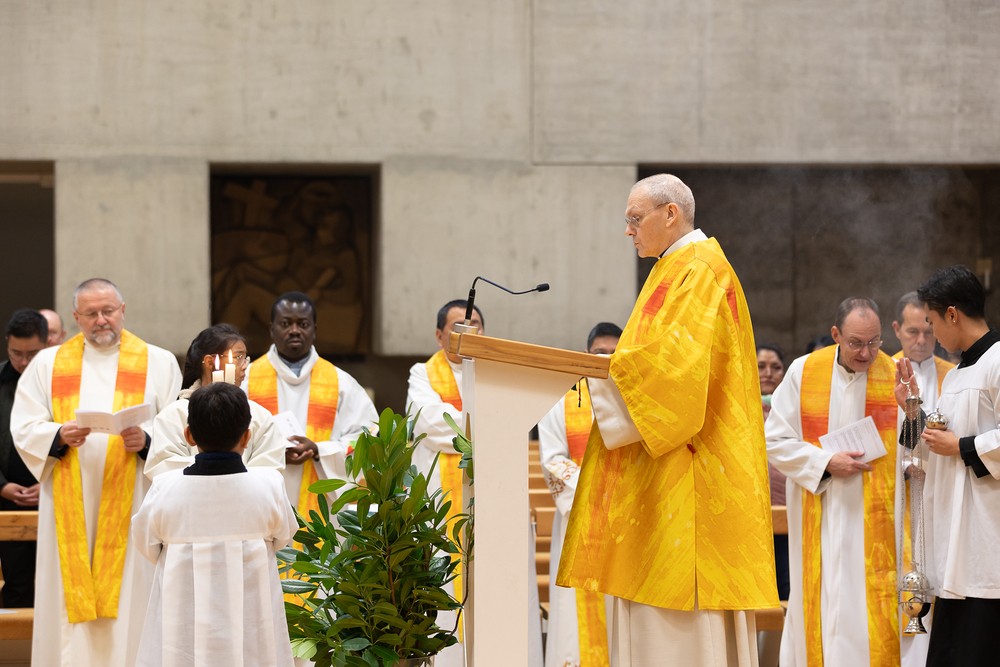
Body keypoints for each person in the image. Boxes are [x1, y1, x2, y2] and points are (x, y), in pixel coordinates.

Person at [558, 174, 778, 667]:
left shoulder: (700, 270)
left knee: (681, 622)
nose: (628, 230)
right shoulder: (673, 267)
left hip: (690, 476)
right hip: (666, 469)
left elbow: (676, 374)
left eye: (635, 219)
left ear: (671, 213)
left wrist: (601, 372)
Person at [10, 278, 182, 667]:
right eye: (91, 313)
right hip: (69, 504)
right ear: (76, 317)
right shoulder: (48, 364)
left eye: (108, 311)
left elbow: (178, 429)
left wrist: (147, 440)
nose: (101, 320)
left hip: (134, 499)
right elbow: (24, 426)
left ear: (123, 310)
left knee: (132, 595)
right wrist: (58, 434)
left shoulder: (158, 362)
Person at [766, 297, 909, 667]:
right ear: (835, 335)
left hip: (876, 523)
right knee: (821, 603)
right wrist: (825, 462)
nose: (866, 353)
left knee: (868, 611)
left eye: (874, 342)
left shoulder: (895, 374)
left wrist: (911, 411)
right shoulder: (803, 371)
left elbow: (918, 454)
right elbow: (773, 441)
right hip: (821, 512)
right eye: (856, 343)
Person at [132, 382, 297, 667]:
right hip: (252, 618)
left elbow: (146, 543)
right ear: (247, 437)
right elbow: (283, 538)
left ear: (189, 435)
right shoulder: (269, 485)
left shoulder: (164, 487)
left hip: (181, 619)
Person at [894, 266, 1000, 666]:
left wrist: (963, 446)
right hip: (956, 547)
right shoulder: (955, 375)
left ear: (952, 314)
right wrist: (912, 411)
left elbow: (956, 445)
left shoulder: (998, 361)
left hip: (987, 544)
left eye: (933, 322)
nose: (932, 333)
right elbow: (937, 448)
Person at [243, 292, 377, 514]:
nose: (294, 330)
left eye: (303, 324)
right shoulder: (246, 380)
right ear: (272, 329)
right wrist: (274, 451)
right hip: (262, 502)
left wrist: (319, 450)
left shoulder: (341, 383)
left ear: (314, 330)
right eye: (285, 323)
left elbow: (367, 437)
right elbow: (230, 439)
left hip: (323, 507)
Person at [404, 299, 484, 667]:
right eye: (458, 326)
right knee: (442, 585)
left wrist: (464, 425)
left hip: (487, 503)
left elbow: (450, 425)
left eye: (475, 324)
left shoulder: (496, 373)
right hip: (439, 507)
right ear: (439, 336)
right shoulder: (422, 373)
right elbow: (429, 422)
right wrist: (482, 426)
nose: (469, 332)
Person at [538, 322, 620, 667]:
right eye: (600, 352)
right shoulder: (563, 400)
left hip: (625, 522)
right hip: (580, 517)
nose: (607, 358)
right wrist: (596, 489)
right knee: (576, 611)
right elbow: (553, 460)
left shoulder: (637, 400)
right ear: (586, 355)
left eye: (615, 353)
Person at [144, 324, 286, 478]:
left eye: (245, 358)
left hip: (243, 493)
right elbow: (164, 467)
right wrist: (221, 472)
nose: (245, 366)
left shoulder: (259, 415)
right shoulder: (174, 415)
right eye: (238, 358)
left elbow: (270, 467)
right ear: (210, 362)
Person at [0, 309, 47, 608]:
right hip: (6, 495)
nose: (24, 362)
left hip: (55, 493)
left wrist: (49, 484)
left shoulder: (62, 383)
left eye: (32, 354)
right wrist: (2, 486)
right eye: (16, 353)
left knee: (55, 585)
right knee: (16, 586)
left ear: (48, 344)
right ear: (7, 342)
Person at [757, 342, 790, 602]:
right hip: (753, 513)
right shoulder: (737, 407)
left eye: (776, 367)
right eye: (761, 366)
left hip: (788, 511)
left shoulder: (792, 407)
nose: (768, 373)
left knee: (787, 585)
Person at [893, 291, 954, 412]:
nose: (921, 341)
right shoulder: (880, 373)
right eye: (913, 331)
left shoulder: (952, 374)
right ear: (897, 329)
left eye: (928, 332)